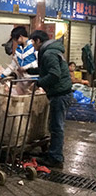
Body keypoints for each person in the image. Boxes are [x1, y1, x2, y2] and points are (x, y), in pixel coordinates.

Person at [25, 30, 73, 168]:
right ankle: (53, 153)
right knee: (54, 126)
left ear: (38, 41)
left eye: (33, 42)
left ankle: (56, 158)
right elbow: (45, 69)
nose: (32, 45)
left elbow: (54, 75)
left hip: (60, 94)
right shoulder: (50, 51)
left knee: (57, 127)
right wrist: (29, 71)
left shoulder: (48, 53)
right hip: (60, 93)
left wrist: (38, 83)